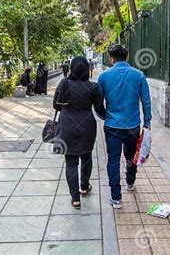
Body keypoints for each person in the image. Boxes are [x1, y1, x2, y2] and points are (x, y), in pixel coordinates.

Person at [97, 45, 152, 209]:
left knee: (113, 160)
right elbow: (146, 100)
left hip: (112, 125)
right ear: (127, 57)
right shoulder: (139, 75)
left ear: (112, 58)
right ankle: (130, 181)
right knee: (130, 157)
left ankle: (116, 198)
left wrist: (105, 116)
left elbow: (98, 102)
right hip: (132, 125)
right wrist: (147, 121)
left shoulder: (104, 77)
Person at [53, 56, 106, 209]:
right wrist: (110, 117)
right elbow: (99, 109)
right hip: (87, 126)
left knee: (70, 162)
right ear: (87, 69)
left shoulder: (64, 83)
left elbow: (56, 105)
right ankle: (84, 187)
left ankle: (75, 198)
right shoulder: (93, 87)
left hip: (67, 126)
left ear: (71, 68)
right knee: (86, 157)